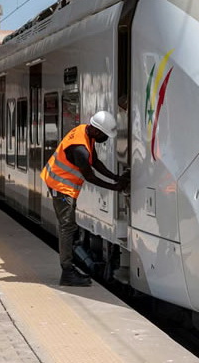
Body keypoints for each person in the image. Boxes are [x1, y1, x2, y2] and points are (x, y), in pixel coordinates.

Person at [41, 110, 130, 286]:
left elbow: (95, 161)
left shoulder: (85, 132)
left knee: (69, 226)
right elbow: (90, 176)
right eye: (105, 135)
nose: (105, 139)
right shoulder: (80, 148)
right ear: (97, 131)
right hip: (61, 188)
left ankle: (69, 269)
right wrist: (115, 187)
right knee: (67, 227)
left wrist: (115, 177)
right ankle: (67, 271)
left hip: (64, 186)